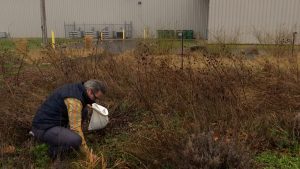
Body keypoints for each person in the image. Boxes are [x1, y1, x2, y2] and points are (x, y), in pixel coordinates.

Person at [31, 80, 106, 159]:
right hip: (43, 128)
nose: (94, 101)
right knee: (76, 140)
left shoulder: (79, 88)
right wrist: (88, 155)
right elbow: (75, 129)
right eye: (95, 98)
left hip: (55, 121)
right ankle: (50, 152)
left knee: (84, 111)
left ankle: (65, 136)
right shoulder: (75, 101)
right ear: (90, 91)